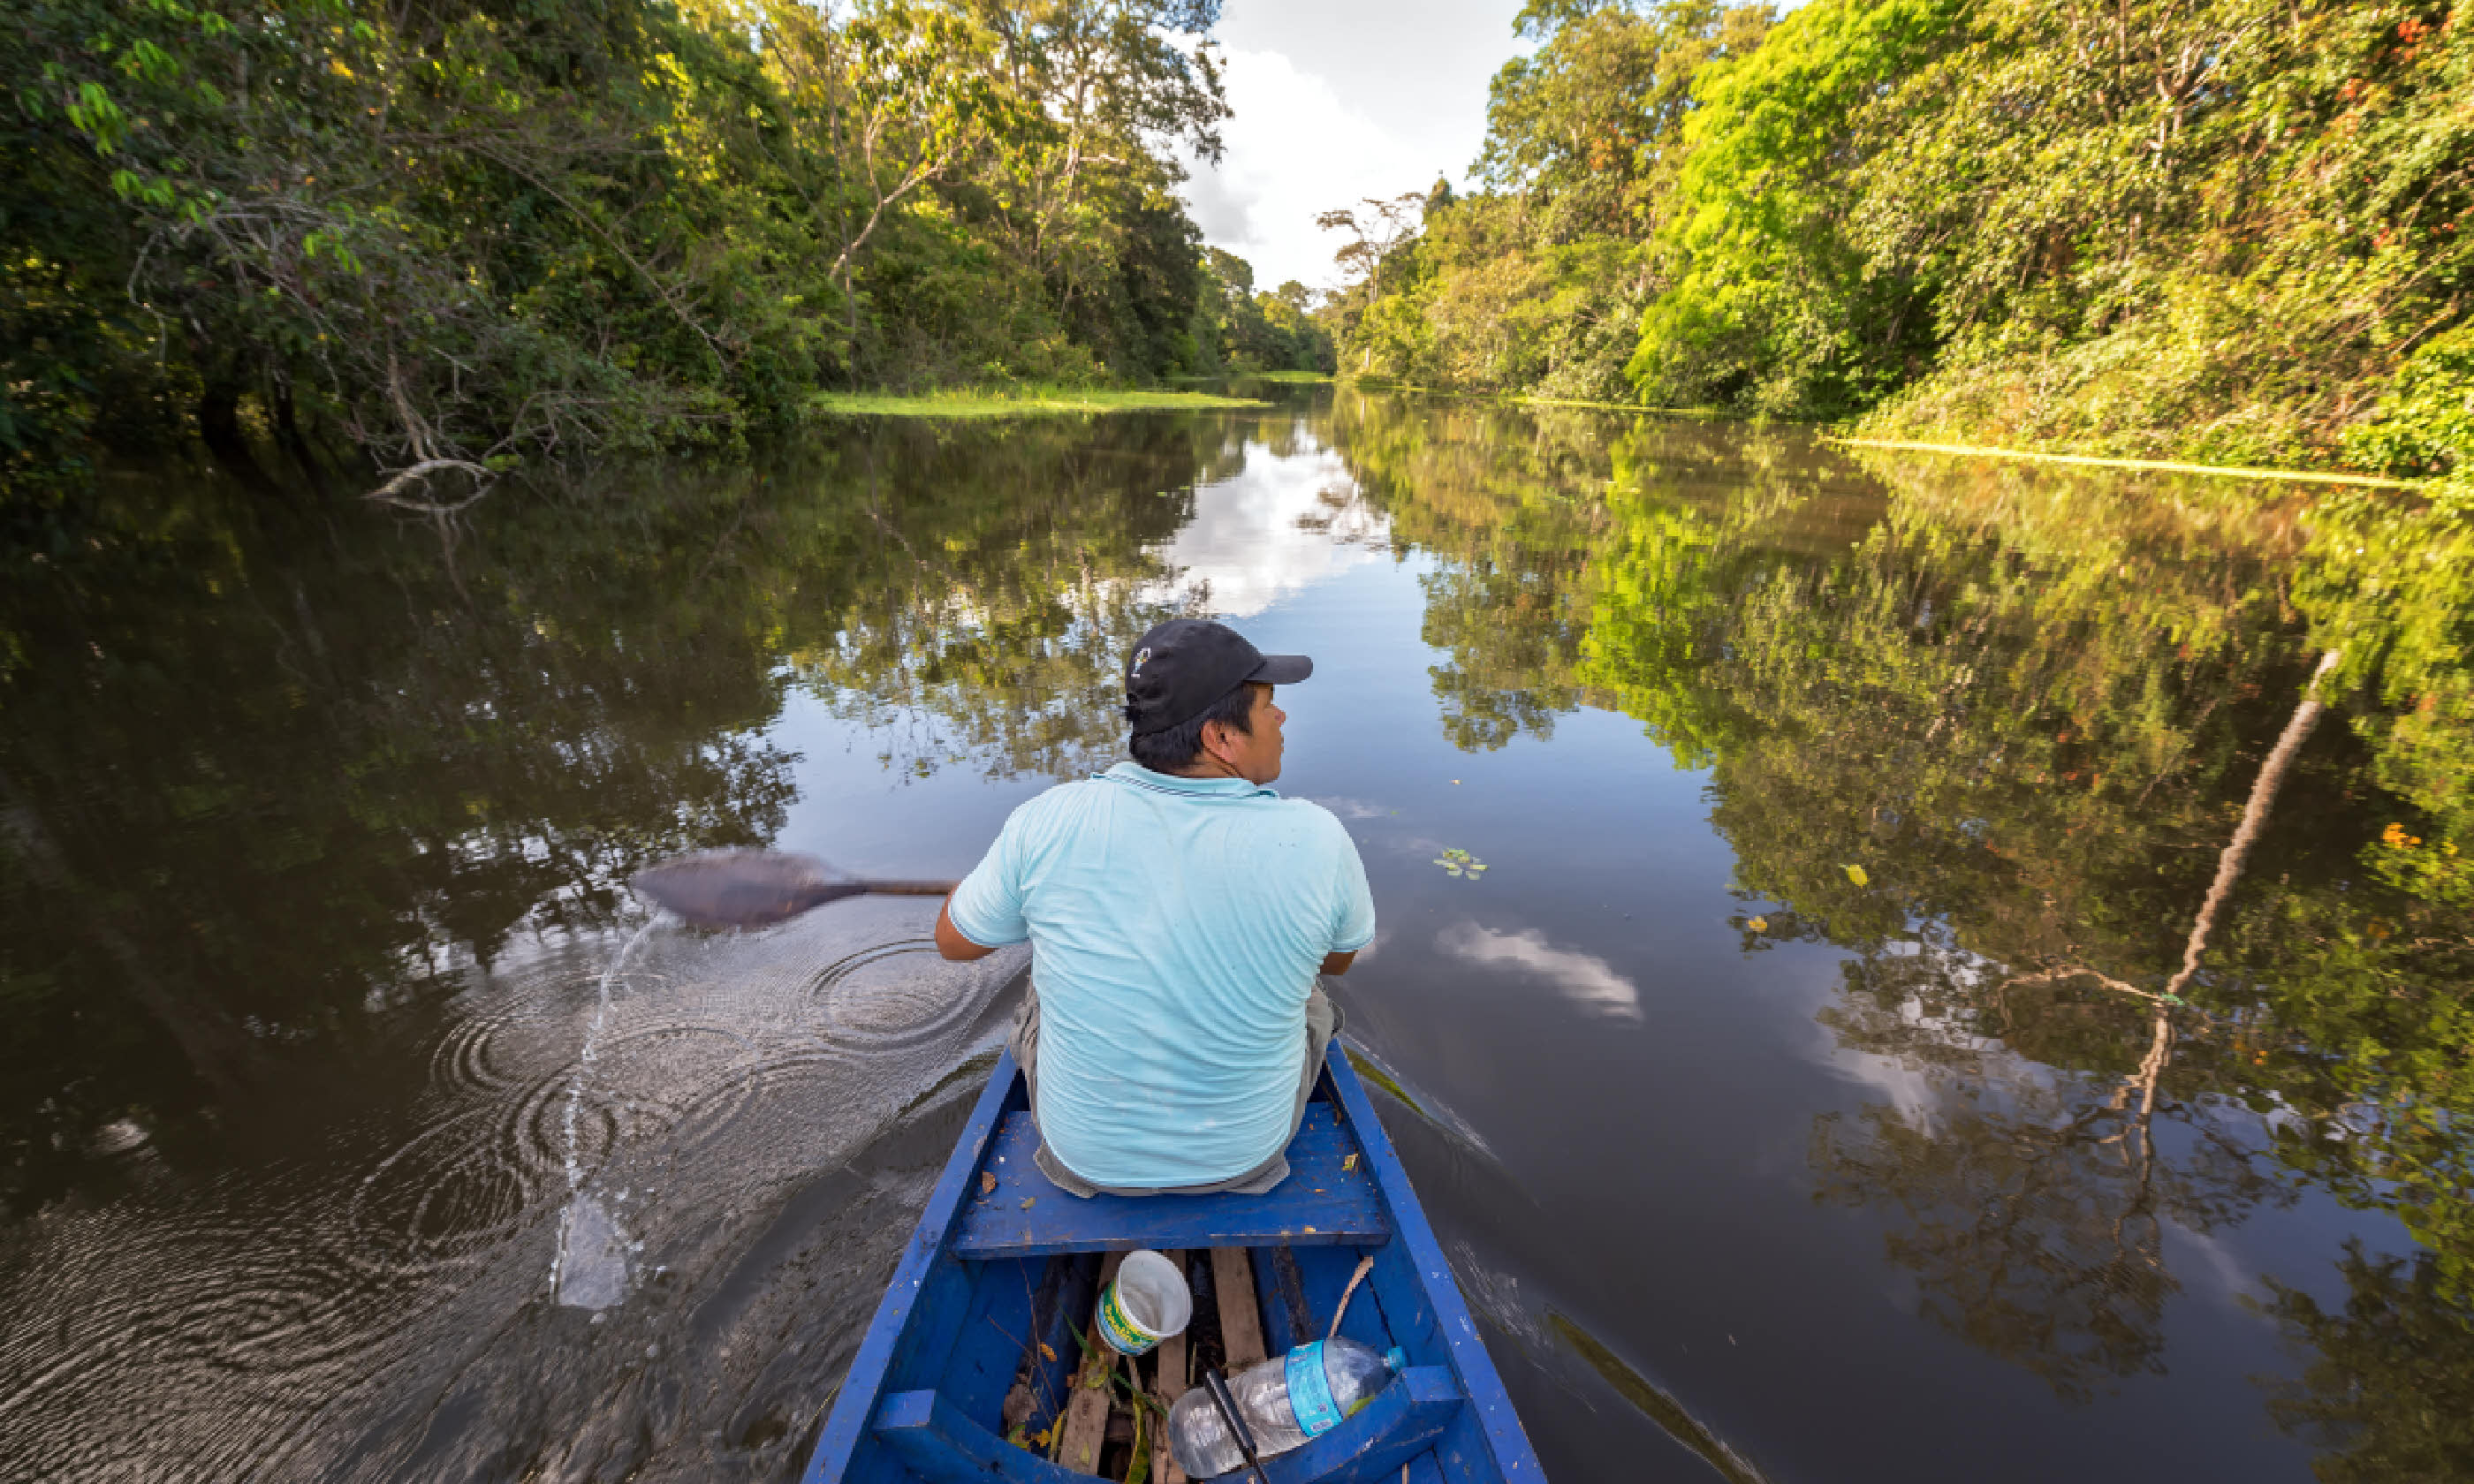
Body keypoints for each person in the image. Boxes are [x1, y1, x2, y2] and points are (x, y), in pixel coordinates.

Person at [932, 618, 1376, 1197]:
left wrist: (965, 891)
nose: (1281, 718)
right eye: (1269, 705)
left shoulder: (1047, 820)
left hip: (1084, 1160)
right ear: (1221, 737)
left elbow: (954, 942)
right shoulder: (1318, 838)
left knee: (1039, 986)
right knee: (1313, 999)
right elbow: (1337, 963)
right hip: (1245, 1157)